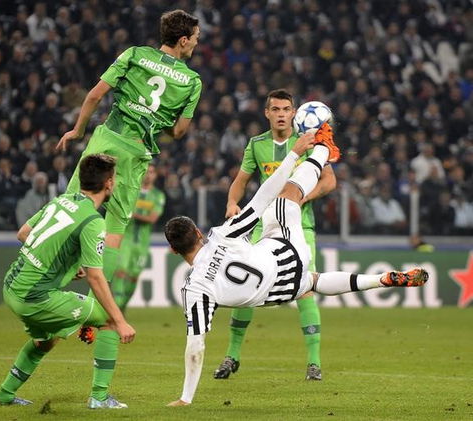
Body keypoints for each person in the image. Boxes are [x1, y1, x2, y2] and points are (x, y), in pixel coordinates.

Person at [164, 128, 427, 406]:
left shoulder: (194, 289)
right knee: (285, 195)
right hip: (288, 253)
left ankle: (379, 279)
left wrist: (185, 398)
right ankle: (325, 148)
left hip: (282, 291)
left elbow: (196, 345)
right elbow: (262, 196)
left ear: (173, 250)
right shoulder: (221, 236)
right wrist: (294, 153)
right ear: (198, 232)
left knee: (313, 281)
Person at [56, 9, 201, 289]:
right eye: (195, 38)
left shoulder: (134, 54)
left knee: (73, 204)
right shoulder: (193, 82)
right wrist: (156, 119)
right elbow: (180, 131)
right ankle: (100, 303)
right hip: (135, 151)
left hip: (107, 138)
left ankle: (51, 274)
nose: (196, 43)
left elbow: (95, 95)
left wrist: (78, 130)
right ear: (183, 40)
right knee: (116, 223)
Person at [0, 154, 136, 410]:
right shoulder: (93, 221)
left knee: (46, 340)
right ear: (109, 184)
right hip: (35, 297)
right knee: (110, 321)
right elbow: (96, 276)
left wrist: (64, 264)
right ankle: (99, 398)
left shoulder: (62, 200)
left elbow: (23, 233)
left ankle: (3, 396)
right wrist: (121, 321)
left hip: (11, 287)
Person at [214, 89, 336, 381]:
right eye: (276, 109)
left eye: (286, 109)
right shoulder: (256, 144)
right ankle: (232, 356)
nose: (281, 114)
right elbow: (240, 182)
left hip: (300, 226)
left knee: (305, 288)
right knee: (246, 288)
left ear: (295, 113)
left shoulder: (307, 141)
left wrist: (301, 198)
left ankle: (314, 363)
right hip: (262, 227)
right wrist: (232, 203)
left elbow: (329, 181)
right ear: (267, 113)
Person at [111, 163, 165, 311]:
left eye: (152, 172)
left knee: (134, 277)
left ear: (155, 175)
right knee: (121, 270)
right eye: (146, 171)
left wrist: (132, 214)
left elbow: (152, 218)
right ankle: (115, 309)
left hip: (142, 243)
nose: (148, 174)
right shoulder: (131, 192)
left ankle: (122, 306)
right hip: (125, 239)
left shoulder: (158, 196)